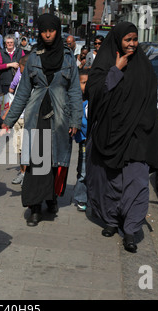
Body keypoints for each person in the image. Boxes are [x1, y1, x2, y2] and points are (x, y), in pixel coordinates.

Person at [84, 22, 158, 253]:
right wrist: (115, 70)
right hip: (109, 134)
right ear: (118, 40)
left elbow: (150, 98)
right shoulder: (105, 63)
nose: (131, 44)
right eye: (127, 40)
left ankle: (130, 229)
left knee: (136, 184)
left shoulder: (144, 66)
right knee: (110, 180)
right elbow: (95, 93)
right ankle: (110, 220)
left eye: (134, 39)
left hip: (137, 135)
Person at [1, 13, 83, 227]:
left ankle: (52, 197)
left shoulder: (67, 58)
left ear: (58, 31)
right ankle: (35, 207)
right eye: (44, 30)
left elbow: (75, 91)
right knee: (37, 162)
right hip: (37, 117)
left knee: (56, 162)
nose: (48, 34)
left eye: (52, 30)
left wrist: (76, 120)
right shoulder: (33, 57)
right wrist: (8, 120)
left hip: (60, 118)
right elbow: (23, 92)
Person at [5, 54, 29, 185]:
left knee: (28, 148)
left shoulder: (34, 80)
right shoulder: (20, 77)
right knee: (20, 148)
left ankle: (28, 174)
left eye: (20, 67)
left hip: (29, 118)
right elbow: (15, 98)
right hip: (19, 118)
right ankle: (23, 172)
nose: (19, 70)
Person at [72, 68, 89, 211]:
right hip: (83, 139)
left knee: (87, 168)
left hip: (93, 139)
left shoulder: (92, 100)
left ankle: (88, 195)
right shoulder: (76, 101)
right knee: (83, 170)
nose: (85, 86)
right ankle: (81, 198)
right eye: (82, 83)